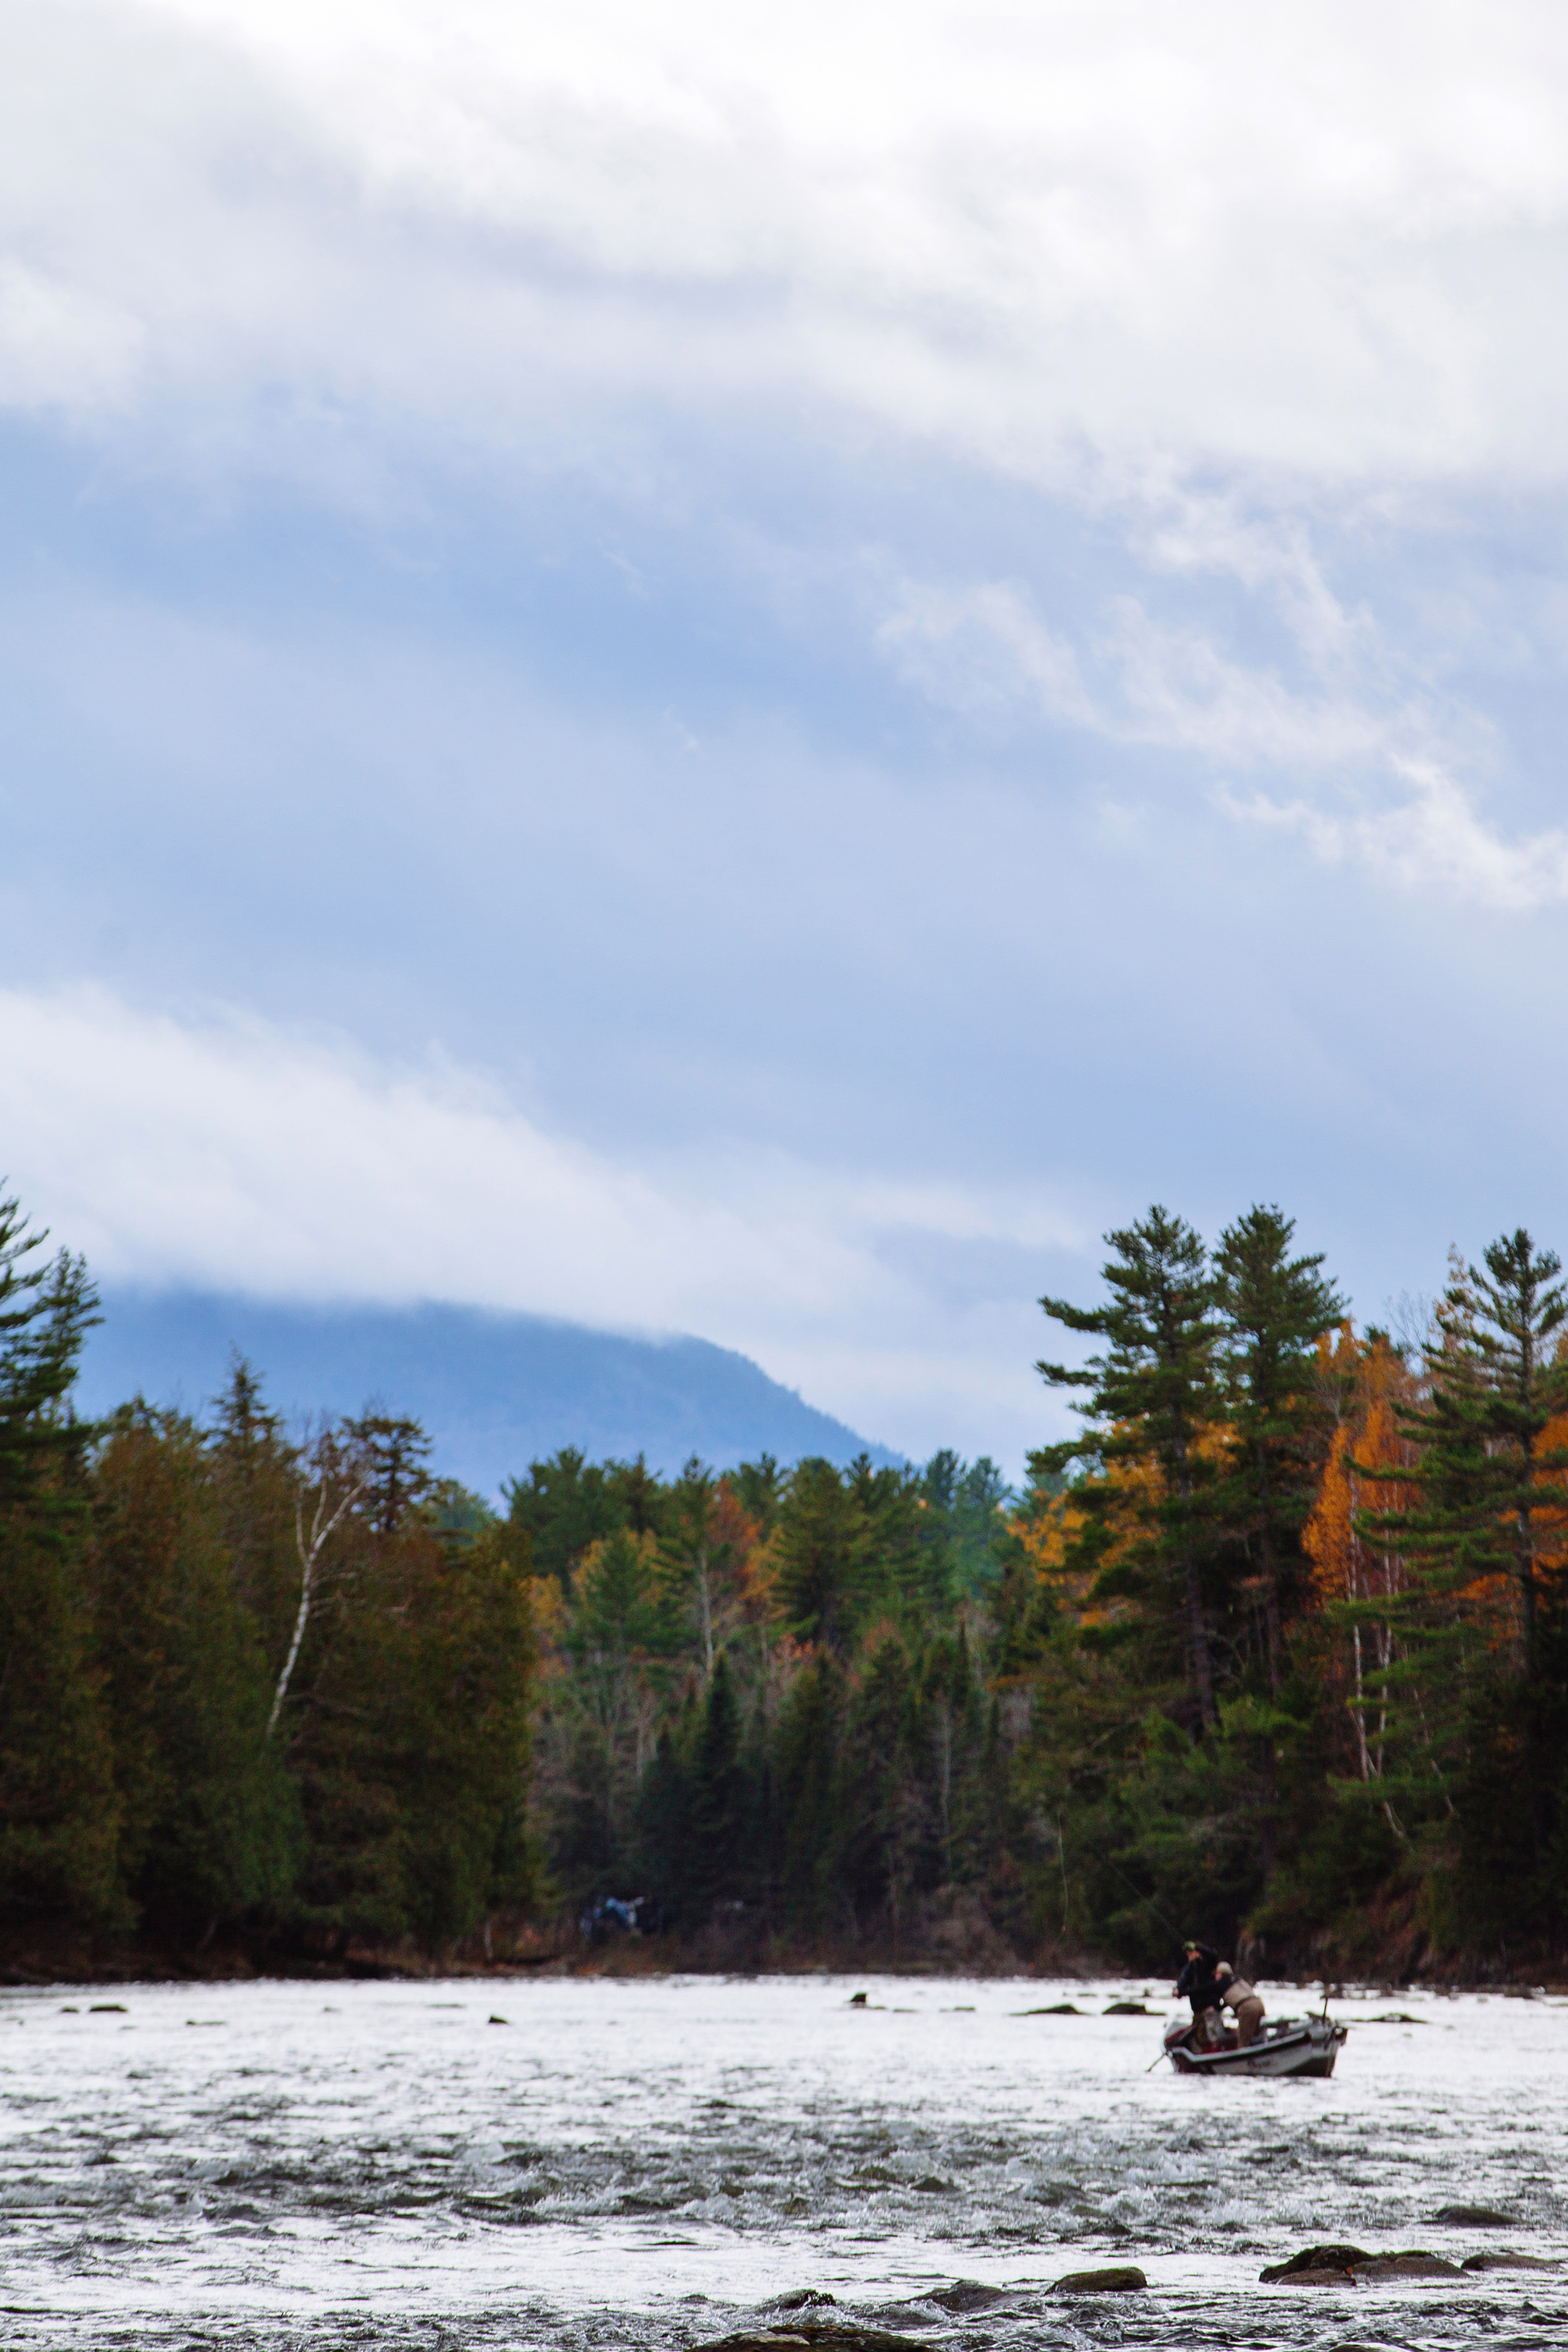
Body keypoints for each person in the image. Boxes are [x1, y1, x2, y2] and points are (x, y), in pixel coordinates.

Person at [1173, 1939, 1226, 2050]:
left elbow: (1213, 1954)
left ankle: (1215, 2056)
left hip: (1210, 2008)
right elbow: (1182, 1983)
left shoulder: (1208, 1964)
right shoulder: (1189, 1969)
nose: (1189, 1954)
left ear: (1198, 1952)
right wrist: (1178, 1991)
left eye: (1191, 1952)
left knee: (1214, 2036)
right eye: (1188, 1952)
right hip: (1197, 2011)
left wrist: (1197, 1946)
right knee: (1199, 2037)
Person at [1215, 1962, 1265, 2047]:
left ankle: (1243, 2058)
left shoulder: (1221, 1983)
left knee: (1243, 2041)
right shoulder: (1239, 1979)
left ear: (1219, 1974)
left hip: (1246, 2008)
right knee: (1257, 2037)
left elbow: (1218, 2006)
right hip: (1259, 2003)